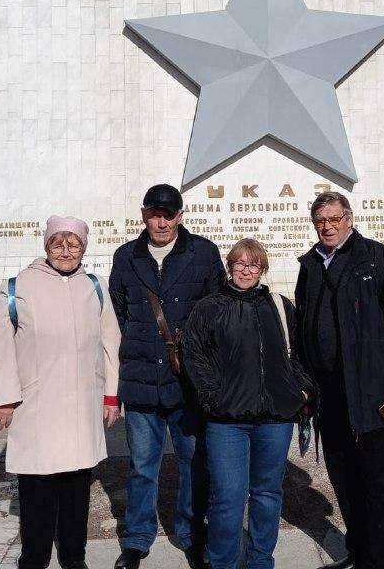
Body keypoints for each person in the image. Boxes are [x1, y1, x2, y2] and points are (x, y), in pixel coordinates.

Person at [295, 192, 384, 569]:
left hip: (373, 394)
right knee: (344, 478)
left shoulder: (380, 260)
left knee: (377, 483)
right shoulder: (310, 265)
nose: (328, 226)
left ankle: (382, 562)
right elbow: (305, 328)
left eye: (335, 219)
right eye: (321, 220)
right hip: (329, 396)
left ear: (349, 219)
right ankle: (358, 554)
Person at [0, 216, 122, 569]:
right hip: (37, 409)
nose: (65, 251)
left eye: (73, 244)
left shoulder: (94, 286)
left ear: (83, 249)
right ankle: (34, 561)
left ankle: (75, 560)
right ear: (46, 247)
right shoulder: (18, 286)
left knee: (77, 495)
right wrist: (5, 399)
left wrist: (111, 396)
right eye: (58, 244)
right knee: (38, 497)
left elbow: (110, 342)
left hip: (81, 407)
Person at [110, 184, 225, 569]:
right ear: (143, 215)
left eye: (168, 214)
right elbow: (120, 314)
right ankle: (137, 539)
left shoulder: (204, 253)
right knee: (143, 466)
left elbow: (217, 312)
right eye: (153, 214)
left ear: (180, 215)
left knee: (194, 463)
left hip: (187, 384)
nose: (160, 221)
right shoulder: (126, 256)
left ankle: (192, 535)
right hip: (141, 380)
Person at [183, 238, 314, 569]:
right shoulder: (210, 307)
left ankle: (259, 562)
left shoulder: (280, 306)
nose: (245, 270)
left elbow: (298, 353)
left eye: (253, 264)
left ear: (262, 269)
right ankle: (223, 563)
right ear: (230, 266)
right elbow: (194, 356)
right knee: (227, 498)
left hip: (275, 418)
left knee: (268, 495)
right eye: (239, 263)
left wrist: (301, 390)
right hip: (227, 421)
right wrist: (213, 397)